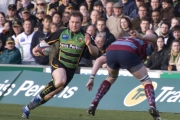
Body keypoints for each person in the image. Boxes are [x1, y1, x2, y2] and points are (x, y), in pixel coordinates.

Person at [21, 11, 99, 119]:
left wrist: (89, 44)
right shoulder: (62, 32)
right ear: (69, 22)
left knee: (52, 93)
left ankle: (28, 108)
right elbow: (46, 41)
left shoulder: (86, 36)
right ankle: (36, 98)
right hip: (58, 62)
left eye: (77, 22)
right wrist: (36, 48)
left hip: (71, 70)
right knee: (60, 80)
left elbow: (96, 53)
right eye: (72, 22)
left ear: (81, 23)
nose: (74, 25)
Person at [86, 30, 162, 120]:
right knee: (146, 81)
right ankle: (153, 107)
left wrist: (91, 78)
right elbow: (154, 37)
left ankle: (94, 103)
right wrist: (142, 37)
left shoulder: (121, 40)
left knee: (111, 77)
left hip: (111, 51)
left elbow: (98, 60)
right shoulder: (146, 43)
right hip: (128, 53)